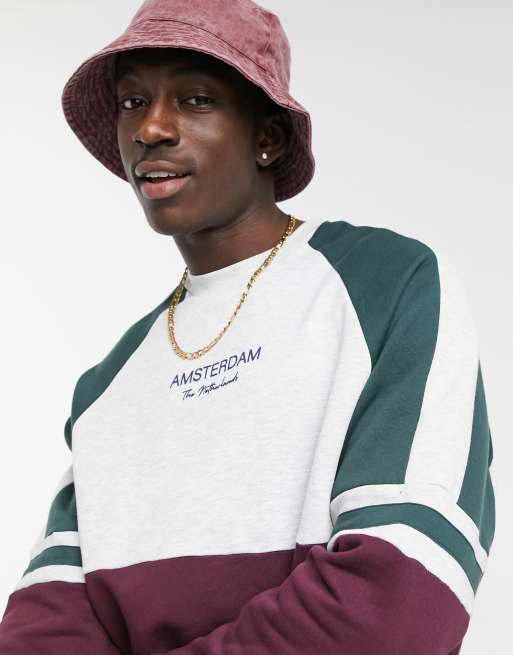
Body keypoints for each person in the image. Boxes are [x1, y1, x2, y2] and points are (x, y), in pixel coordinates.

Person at [0, 1, 495, 654]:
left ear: (269, 138)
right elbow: (42, 629)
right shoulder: (108, 381)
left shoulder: (386, 284)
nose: (150, 128)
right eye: (131, 102)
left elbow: (401, 598)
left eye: (196, 99)